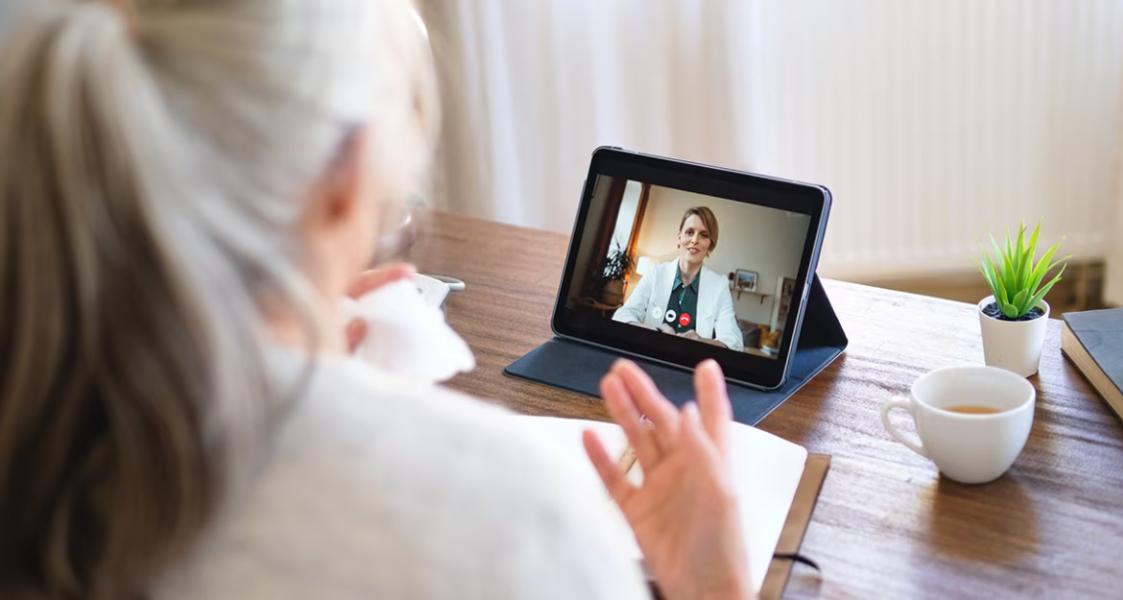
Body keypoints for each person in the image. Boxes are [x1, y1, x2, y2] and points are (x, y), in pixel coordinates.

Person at [0, 1, 752, 599]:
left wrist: (300, 332)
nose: (686, 243)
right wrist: (711, 587)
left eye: (696, 236)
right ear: (345, 176)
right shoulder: (515, 520)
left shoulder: (33, 430)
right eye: (680, 232)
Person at [613, 207, 744, 351]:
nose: (695, 240)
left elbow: (734, 342)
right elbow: (622, 315)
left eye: (704, 235)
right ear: (680, 237)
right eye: (689, 232)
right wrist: (655, 333)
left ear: (710, 244)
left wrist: (700, 341)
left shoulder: (719, 285)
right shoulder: (656, 273)